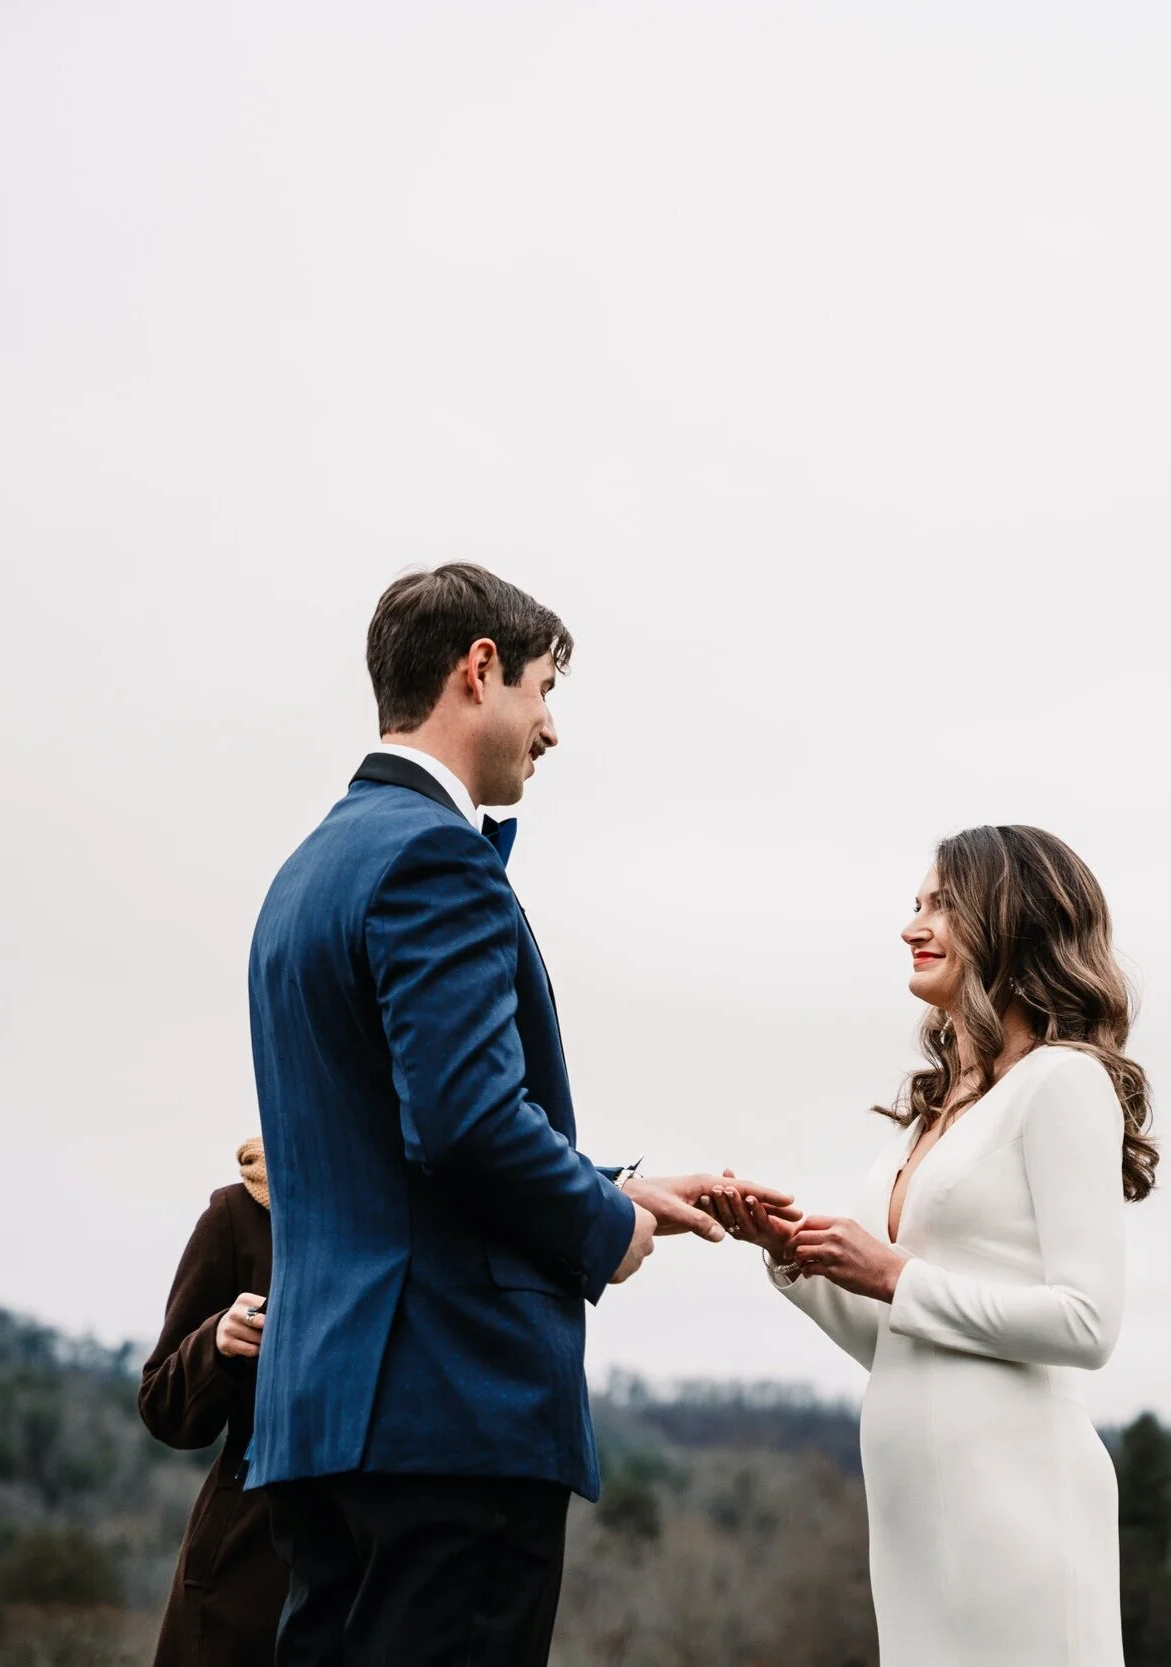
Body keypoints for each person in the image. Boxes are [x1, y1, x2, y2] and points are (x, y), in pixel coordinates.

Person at [247, 563, 796, 1667]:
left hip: (320, 1416)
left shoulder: (305, 872)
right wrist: (603, 1229)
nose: (549, 728)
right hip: (450, 1406)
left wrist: (607, 1179)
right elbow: (460, 1123)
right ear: (478, 668)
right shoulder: (433, 856)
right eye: (544, 689)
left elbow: (394, 1144)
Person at [709, 824, 1158, 1667]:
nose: (912, 926)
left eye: (941, 905)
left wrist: (894, 1272)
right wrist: (790, 1254)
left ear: (1010, 920)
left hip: (1019, 1508)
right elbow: (892, 1338)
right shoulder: (932, 1113)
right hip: (915, 1520)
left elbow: (1087, 1323)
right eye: (913, 905)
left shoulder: (1060, 1083)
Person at [140, 1138, 287, 1667]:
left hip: (387, 1560)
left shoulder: (423, 1212)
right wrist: (216, 1342)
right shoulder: (240, 1212)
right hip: (251, 1564)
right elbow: (162, 1405)